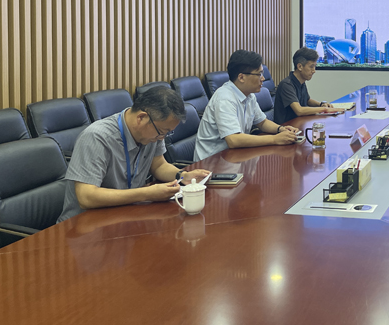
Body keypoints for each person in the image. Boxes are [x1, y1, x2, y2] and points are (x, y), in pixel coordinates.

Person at [58, 86, 210, 222]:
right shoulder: (96, 138)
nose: (162, 138)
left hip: (125, 215)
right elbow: (86, 197)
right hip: (84, 225)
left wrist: (183, 176)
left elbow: (159, 165)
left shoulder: (153, 131)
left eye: (167, 133)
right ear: (141, 118)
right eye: (161, 132)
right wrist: (147, 193)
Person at [194, 50, 299, 161]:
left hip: (234, 156)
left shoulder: (249, 95)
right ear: (241, 77)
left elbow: (262, 122)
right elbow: (233, 140)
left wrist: (280, 129)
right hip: (211, 163)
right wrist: (275, 139)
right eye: (259, 74)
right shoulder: (225, 99)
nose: (263, 78)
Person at [274, 47, 342, 124]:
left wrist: (321, 104)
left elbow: (307, 100)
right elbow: (299, 110)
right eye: (311, 66)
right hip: (287, 126)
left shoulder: (301, 81)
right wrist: (325, 110)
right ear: (300, 67)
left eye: (314, 66)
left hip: (299, 122)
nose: (314, 71)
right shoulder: (286, 84)